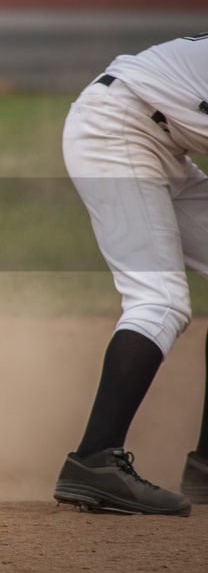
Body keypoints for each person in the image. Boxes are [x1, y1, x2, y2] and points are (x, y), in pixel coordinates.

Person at [53, 33, 208, 516]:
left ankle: (207, 465)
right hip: (118, 128)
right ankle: (95, 459)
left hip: (158, 135)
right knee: (159, 301)